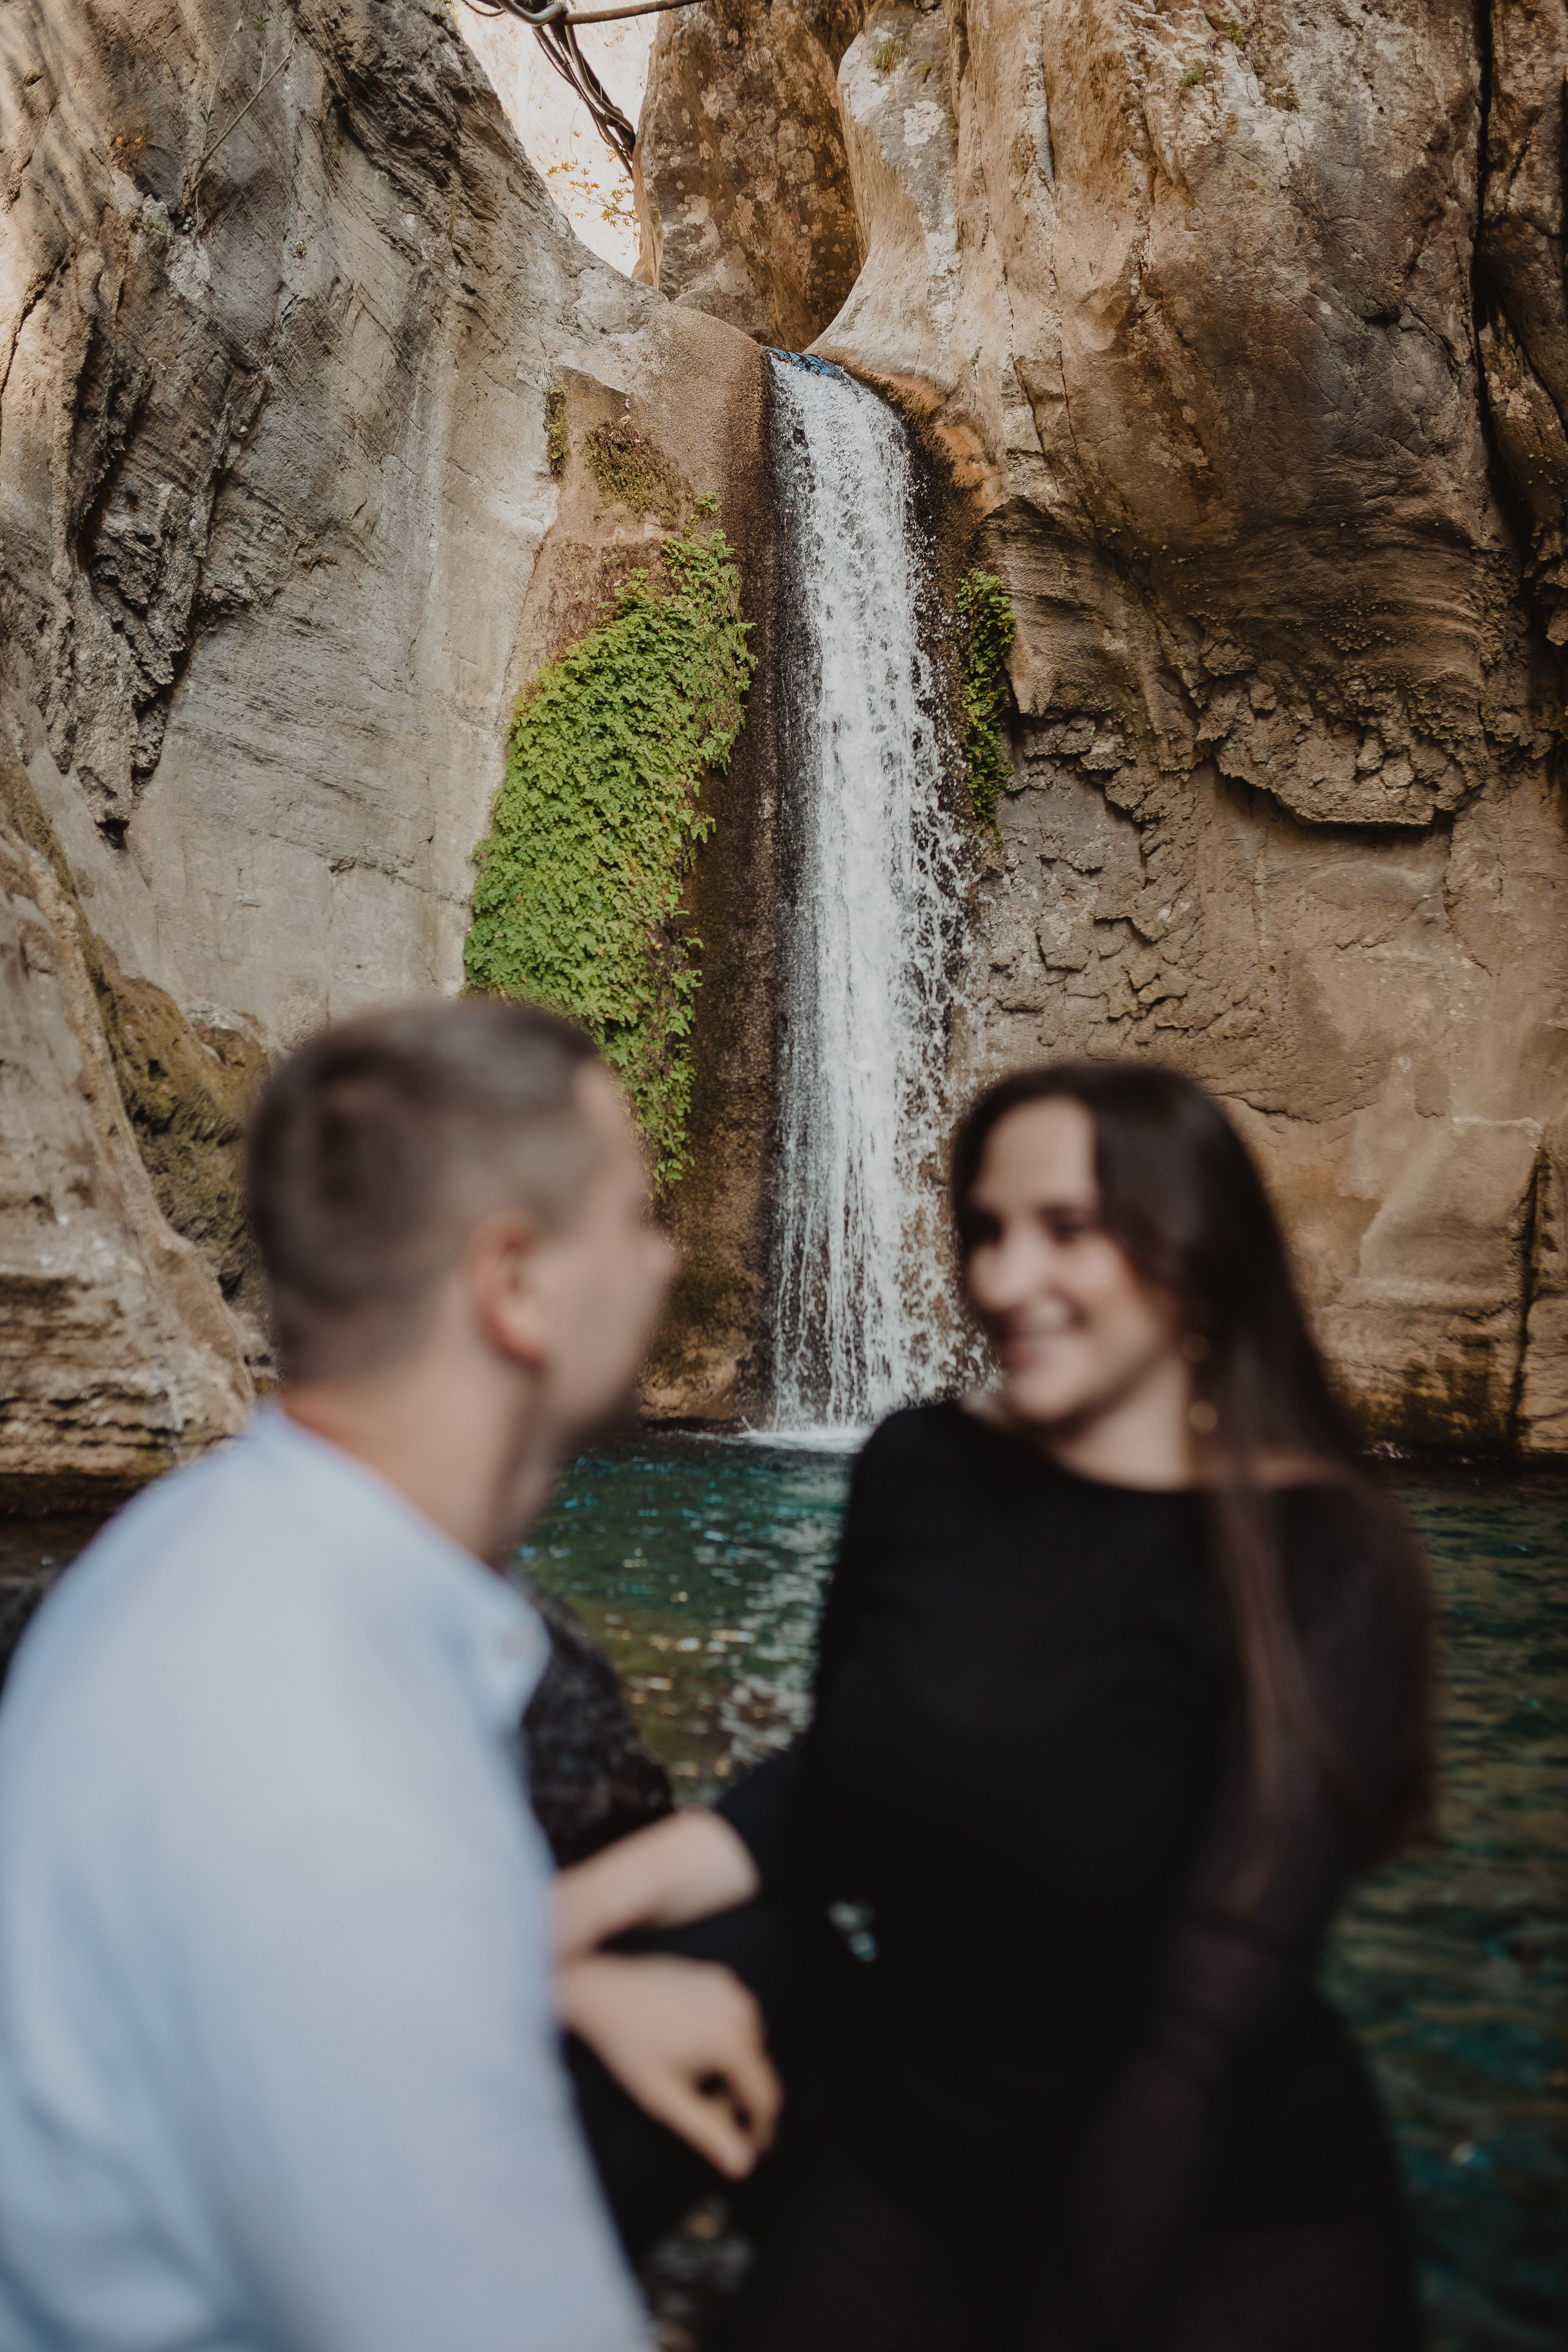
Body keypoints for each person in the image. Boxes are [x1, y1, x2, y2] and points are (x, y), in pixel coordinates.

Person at [552, 1060, 1438, 2351]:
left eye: (1067, 1230)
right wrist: (536, 1936)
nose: (1005, 1279)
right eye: (985, 1229)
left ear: (1194, 1251)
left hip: (1214, 2214)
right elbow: (826, 1802)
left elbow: (1192, 2044)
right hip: (916, 2166)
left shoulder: (1320, 1559)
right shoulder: (918, 1467)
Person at [0, 1000, 779, 2352]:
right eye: (635, 1217)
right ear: (514, 1285)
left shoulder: (196, 1549)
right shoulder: (343, 1786)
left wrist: (529, 1976)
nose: (663, 1258)